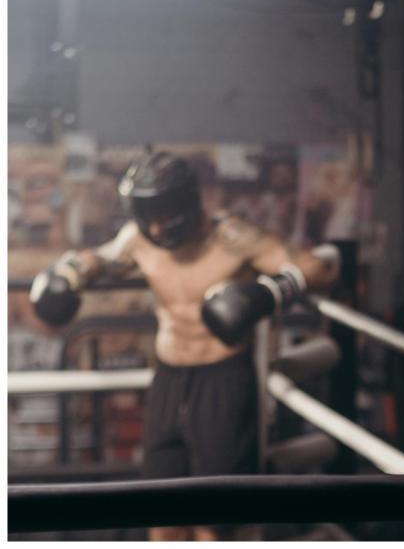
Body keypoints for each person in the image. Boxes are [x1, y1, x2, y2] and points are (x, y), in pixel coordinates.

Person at [29, 151, 340, 541]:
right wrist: (70, 271)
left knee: (215, 518)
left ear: (187, 204)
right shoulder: (139, 240)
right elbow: (101, 258)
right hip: (169, 377)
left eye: (165, 213)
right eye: (148, 215)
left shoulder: (232, 238)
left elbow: (319, 267)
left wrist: (271, 292)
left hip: (223, 379)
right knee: (160, 510)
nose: (158, 227)